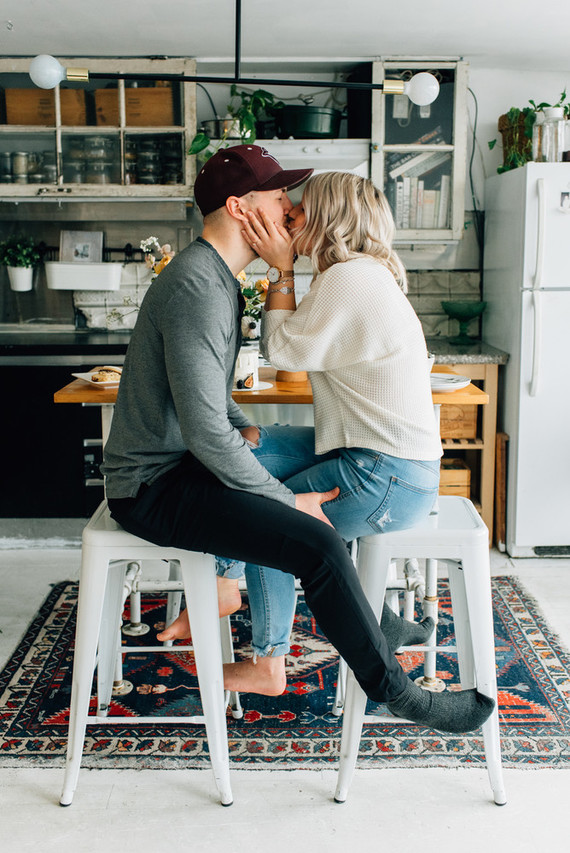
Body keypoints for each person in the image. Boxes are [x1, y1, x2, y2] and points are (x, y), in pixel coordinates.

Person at [101, 144, 494, 734]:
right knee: (313, 539)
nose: (289, 207)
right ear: (240, 208)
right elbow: (205, 425)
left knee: (275, 484)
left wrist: (237, 426)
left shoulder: (217, 279)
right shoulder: (199, 286)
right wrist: (282, 499)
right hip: (152, 487)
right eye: (278, 193)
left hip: (179, 468)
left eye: (294, 197)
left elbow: (205, 396)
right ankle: (398, 692)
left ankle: (235, 591)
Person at [159, 171, 442, 699]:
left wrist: (282, 269)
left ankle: (268, 663)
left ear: (327, 218)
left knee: (273, 521)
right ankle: (235, 585)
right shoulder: (358, 273)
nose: (288, 215)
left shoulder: (350, 278)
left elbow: (283, 352)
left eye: (299, 209)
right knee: (245, 449)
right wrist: (286, 271)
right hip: (380, 460)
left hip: (384, 474)